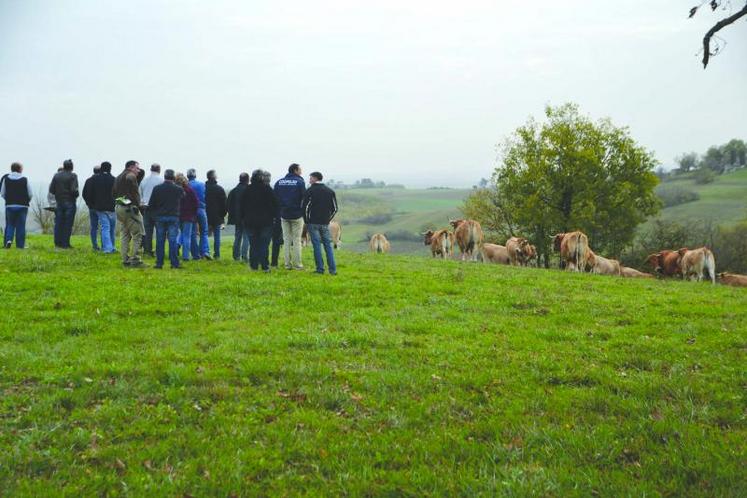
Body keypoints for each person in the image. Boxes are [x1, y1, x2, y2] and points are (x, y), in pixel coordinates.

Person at [239, 169, 278, 272]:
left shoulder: (247, 190)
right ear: (262, 177)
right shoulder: (267, 189)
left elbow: (241, 206)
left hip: (250, 222)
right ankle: (265, 266)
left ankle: (254, 266)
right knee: (264, 245)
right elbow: (275, 205)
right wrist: (274, 217)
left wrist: (243, 218)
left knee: (253, 245)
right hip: (266, 222)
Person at [302, 171, 338, 275]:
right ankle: (333, 270)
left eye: (310, 178)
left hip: (312, 223)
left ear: (314, 178)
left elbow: (305, 208)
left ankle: (320, 269)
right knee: (328, 245)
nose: (309, 180)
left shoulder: (309, 191)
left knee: (317, 246)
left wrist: (307, 221)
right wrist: (328, 219)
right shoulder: (330, 191)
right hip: (325, 223)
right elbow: (335, 209)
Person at [148, 169, 184, 269]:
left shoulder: (157, 188)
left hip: (160, 217)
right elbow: (183, 202)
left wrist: (155, 215)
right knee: (172, 240)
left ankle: (159, 263)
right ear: (173, 178)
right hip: (174, 217)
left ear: (164, 176)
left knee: (160, 240)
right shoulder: (179, 189)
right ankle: (174, 263)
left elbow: (151, 204)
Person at [113, 160, 146, 267]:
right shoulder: (131, 176)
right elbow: (135, 194)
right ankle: (135, 260)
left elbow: (113, 193)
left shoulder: (118, 177)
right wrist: (138, 205)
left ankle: (125, 259)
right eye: (137, 168)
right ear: (131, 167)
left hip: (119, 206)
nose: (138, 170)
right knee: (138, 233)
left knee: (125, 234)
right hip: (129, 208)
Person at [274, 163, 306, 270]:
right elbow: (304, 198)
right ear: (295, 170)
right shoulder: (300, 182)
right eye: (300, 169)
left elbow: (275, 199)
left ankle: (287, 264)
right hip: (297, 215)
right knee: (297, 240)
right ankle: (298, 265)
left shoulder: (279, 182)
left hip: (283, 215)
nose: (301, 171)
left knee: (286, 239)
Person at [1, 162, 33, 249]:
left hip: (10, 206)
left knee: (10, 224)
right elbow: (30, 193)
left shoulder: (6, 179)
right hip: (22, 206)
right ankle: (20, 245)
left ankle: (8, 240)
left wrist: (9, 200)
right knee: (21, 226)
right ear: (19, 169)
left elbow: (3, 193)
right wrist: (26, 201)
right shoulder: (24, 179)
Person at [49, 159, 79, 249]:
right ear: (72, 167)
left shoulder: (56, 176)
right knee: (68, 224)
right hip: (70, 202)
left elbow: (51, 190)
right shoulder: (73, 176)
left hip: (59, 202)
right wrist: (76, 194)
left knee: (58, 223)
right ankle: (65, 244)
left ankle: (57, 243)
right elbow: (74, 190)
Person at [91, 161, 117, 254]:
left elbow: (91, 193)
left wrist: (93, 204)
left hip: (100, 207)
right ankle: (112, 246)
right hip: (111, 207)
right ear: (110, 168)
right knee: (112, 228)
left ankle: (107, 248)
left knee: (105, 227)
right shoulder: (114, 179)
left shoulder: (95, 179)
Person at [139, 164, 164, 257]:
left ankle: (147, 251)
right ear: (159, 170)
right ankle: (158, 252)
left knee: (147, 231)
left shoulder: (144, 181)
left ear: (150, 169)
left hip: (146, 208)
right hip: (158, 209)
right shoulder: (161, 181)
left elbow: (140, 194)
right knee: (159, 231)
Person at [187, 168, 211, 260]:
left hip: (190, 211)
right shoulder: (202, 184)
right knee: (204, 231)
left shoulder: (187, 185)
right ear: (195, 175)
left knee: (193, 233)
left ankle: (195, 255)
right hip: (201, 209)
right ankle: (204, 252)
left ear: (188, 176)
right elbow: (205, 197)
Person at [226, 173, 250, 261]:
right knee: (246, 237)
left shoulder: (233, 191)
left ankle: (236, 256)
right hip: (247, 218)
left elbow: (228, 204)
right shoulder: (249, 190)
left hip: (236, 218)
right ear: (248, 179)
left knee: (238, 237)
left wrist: (232, 215)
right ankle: (244, 256)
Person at [176, 173, 199, 262]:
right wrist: (193, 214)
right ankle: (186, 256)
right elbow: (196, 203)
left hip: (178, 216)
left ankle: (174, 253)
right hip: (189, 217)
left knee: (178, 234)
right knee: (187, 237)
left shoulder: (176, 191)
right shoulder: (190, 190)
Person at [205, 170, 227, 259]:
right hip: (217, 216)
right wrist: (222, 215)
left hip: (205, 215)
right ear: (214, 177)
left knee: (204, 235)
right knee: (217, 236)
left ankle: (205, 252)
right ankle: (217, 254)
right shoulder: (219, 189)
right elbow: (224, 204)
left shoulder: (204, 188)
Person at [82, 165, 101, 251]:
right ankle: (105, 245)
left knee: (94, 227)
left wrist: (88, 203)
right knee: (104, 227)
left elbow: (84, 194)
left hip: (91, 207)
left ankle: (95, 245)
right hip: (100, 207)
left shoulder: (88, 181)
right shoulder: (100, 181)